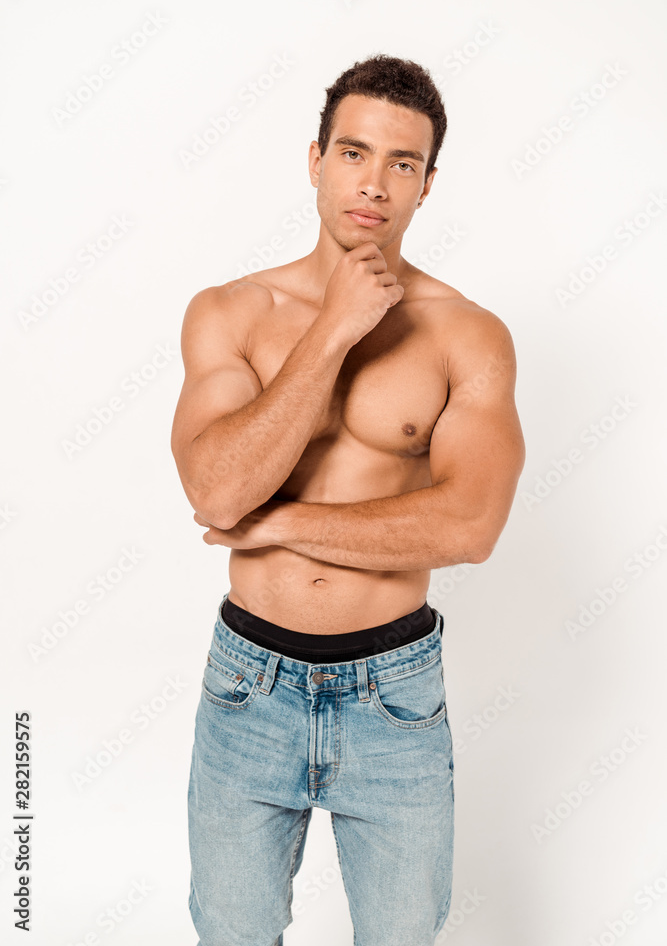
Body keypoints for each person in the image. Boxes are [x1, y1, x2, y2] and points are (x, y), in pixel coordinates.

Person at [171, 53, 526, 946]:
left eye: (402, 163)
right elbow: (215, 486)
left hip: (395, 695)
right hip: (248, 685)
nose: (374, 183)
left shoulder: (467, 334)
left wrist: (280, 522)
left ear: (427, 184)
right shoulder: (228, 311)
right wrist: (332, 329)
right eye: (354, 153)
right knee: (231, 935)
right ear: (315, 159)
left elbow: (470, 526)